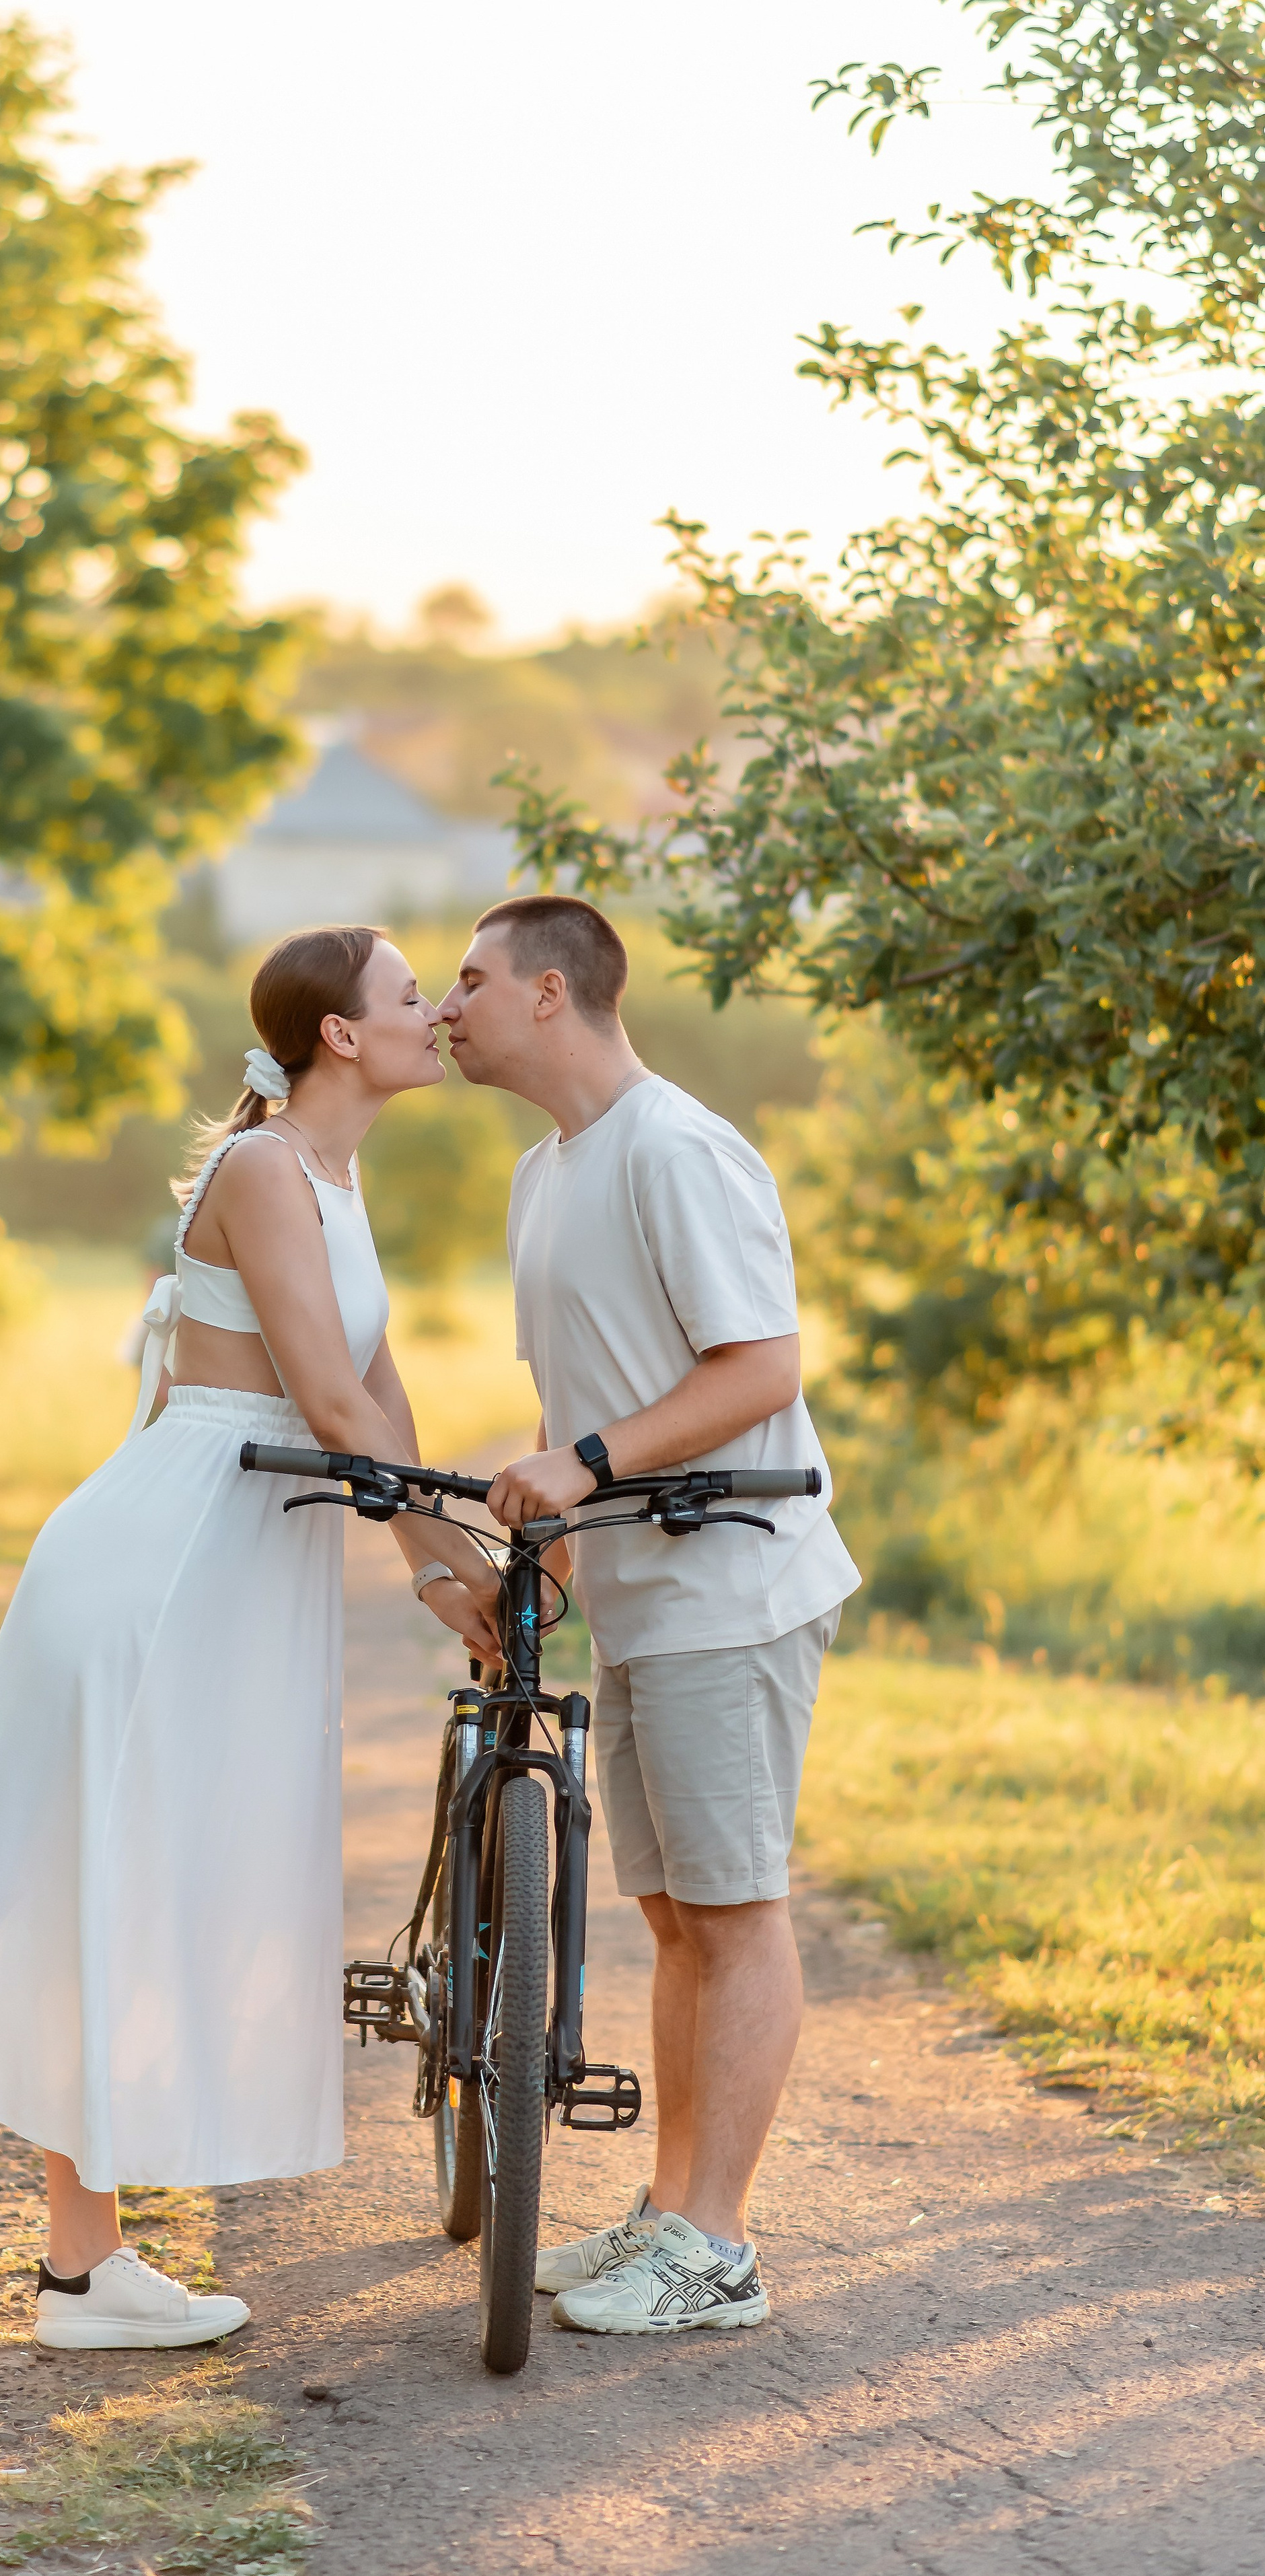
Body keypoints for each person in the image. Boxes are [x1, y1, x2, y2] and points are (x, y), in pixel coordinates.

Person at [0, 926, 500, 2358]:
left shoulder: (334, 1176)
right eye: (403, 996)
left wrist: (443, 1575)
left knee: (113, 1889)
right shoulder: (261, 1172)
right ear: (334, 1034)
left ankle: (86, 2266)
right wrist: (437, 1555)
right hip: (168, 1552)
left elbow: (389, 1408)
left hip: (239, 1554)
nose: (430, 1012)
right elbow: (327, 1397)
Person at [437, 893, 859, 2338]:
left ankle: (719, 2247)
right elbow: (579, 1403)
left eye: (473, 979)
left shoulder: (676, 1148)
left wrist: (591, 1465)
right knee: (674, 1917)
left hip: (731, 1582)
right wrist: (533, 1572)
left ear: (551, 994)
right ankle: (669, 2213)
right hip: (639, 1592)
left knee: (734, 1911)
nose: (448, 1005)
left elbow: (759, 1367)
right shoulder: (543, 1174)